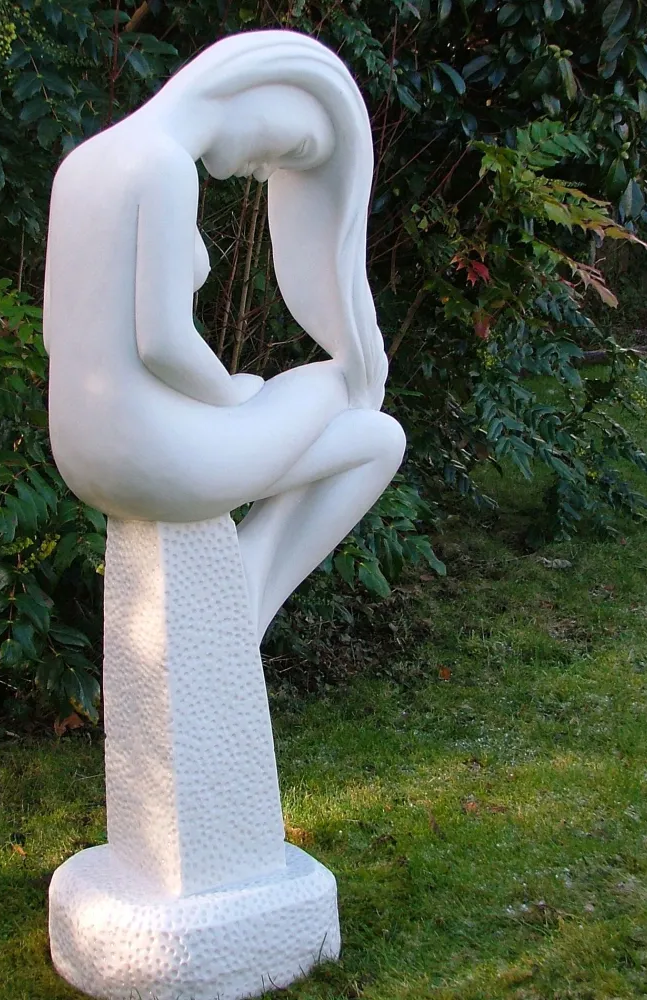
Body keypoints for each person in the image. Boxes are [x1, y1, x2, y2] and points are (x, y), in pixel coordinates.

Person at [44, 30, 405, 641]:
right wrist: (232, 396)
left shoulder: (82, 163)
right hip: (156, 456)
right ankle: (242, 611)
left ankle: (239, 598)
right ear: (252, 85)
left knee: (368, 436)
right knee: (344, 391)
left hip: (83, 454)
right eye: (294, 144)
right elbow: (163, 342)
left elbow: (55, 335)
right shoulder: (162, 164)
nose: (267, 169)